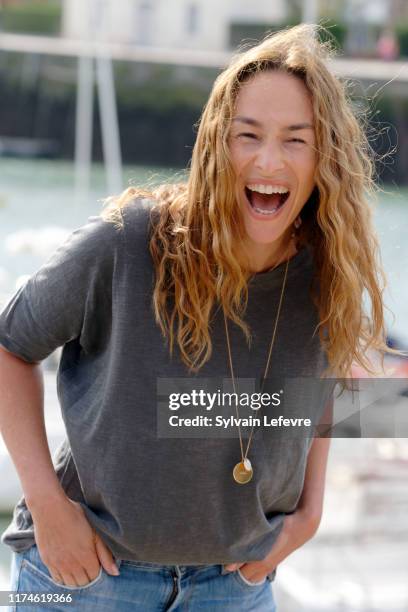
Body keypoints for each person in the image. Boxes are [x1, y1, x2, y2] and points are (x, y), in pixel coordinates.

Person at [0, 24, 399, 611]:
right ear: (217, 142)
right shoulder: (128, 243)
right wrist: (48, 506)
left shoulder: (329, 270)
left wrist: (310, 514)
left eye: (296, 139)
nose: (268, 160)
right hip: (87, 579)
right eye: (248, 135)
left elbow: (321, 388)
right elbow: (10, 345)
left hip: (235, 586)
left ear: (325, 156)